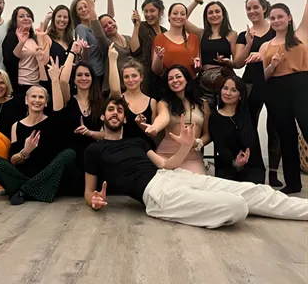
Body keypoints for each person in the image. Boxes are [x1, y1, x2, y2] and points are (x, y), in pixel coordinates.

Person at [84, 97, 308, 229]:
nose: (115, 113)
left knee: (255, 191)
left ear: (124, 119)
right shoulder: (94, 150)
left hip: (173, 176)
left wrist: (185, 146)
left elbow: (166, 165)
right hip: (156, 194)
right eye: (110, 110)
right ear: (103, 117)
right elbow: (88, 190)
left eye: (120, 110)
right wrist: (93, 200)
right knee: (237, 206)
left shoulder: (138, 142)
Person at [0, 62, 77, 205]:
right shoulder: (16, 126)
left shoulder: (52, 121)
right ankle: (36, 190)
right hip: (24, 175)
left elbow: (59, 110)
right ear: (26, 100)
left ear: (46, 102)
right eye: (33, 97)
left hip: (47, 174)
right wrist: (25, 152)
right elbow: (13, 160)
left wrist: (55, 80)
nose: (37, 100)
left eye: (41, 97)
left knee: (69, 154)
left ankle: (23, 191)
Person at [256, 0, 308, 194]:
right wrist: (272, 65)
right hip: (276, 89)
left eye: (280, 16)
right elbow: (264, 77)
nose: (276, 20)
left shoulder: (301, 35)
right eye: (273, 17)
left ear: (289, 17)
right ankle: (293, 184)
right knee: (286, 137)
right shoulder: (265, 46)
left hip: (301, 85)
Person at [236, 0, 282, 187]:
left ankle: (273, 173)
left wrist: (263, 55)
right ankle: (253, 168)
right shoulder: (243, 35)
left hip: (275, 84)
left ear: (264, 8)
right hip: (250, 85)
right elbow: (238, 63)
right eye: (248, 8)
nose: (252, 11)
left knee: (275, 129)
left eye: (256, 7)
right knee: (249, 127)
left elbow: (286, 53)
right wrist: (248, 44)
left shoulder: (276, 31)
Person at [142, 65, 210, 175]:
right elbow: (163, 117)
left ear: (186, 79)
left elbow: (207, 134)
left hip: (192, 157)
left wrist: (198, 143)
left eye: (178, 76)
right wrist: (155, 127)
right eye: (170, 79)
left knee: (195, 183)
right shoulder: (164, 103)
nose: (175, 80)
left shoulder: (203, 104)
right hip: (167, 155)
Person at [185, 0, 238, 108]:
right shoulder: (201, 33)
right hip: (205, 81)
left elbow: (236, 62)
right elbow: (183, 18)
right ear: (206, 17)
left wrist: (226, 61)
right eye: (210, 12)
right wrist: (197, 1)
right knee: (205, 111)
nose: (214, 15)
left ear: (223, 15)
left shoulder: (232, 34)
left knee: (225, 110)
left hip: (224, 78)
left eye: (217, 11)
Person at [209, 76, 265, 184]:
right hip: (227, 165)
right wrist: (235, 163)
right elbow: (221, 146)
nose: (228, 93)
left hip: (251, 166)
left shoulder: (247, 114)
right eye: (225, 88)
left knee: (253, 190)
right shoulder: (215, 116)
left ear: (240, 96)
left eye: (233, 90)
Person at [108, 43, 156, 147]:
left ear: (141, 77)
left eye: (134, 76)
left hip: (146, 149)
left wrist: (143, 126)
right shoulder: (119, 99)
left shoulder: (152, 102)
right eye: (126, 77)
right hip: (123, 148)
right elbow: (115, 90)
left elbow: (154, 135)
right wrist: (112, 60)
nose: (130, 80)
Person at [2, 6, 47, 94]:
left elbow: (43, 61)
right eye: (21, 16)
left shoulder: (34, 38)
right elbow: (9, 62)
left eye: (29, 16)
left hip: (37, 85)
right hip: (21, 85)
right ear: (15, 21)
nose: (26, 18)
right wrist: (21, 42)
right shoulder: (12, 37)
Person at [130, 0, 167, 97]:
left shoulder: (165, 32)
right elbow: (134, 50)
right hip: (146, 76)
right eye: (145, 11)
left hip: (162, 76)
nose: (148, 14)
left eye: (152, 11)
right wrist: (136, 26)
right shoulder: (141, 26)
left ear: (161, 12)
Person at [152, 2, 200, 80]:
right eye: (175, 13)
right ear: (169, 16)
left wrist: (197, 65)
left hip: (190, 83)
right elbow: (156, 70)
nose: (179, 16)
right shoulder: (159, 39)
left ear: (186, 18)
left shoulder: (194, 38)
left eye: (182, 14)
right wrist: (159, 58)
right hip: (167, 83)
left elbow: (197, 69)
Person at [70, 0, 105, 85]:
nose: (84, 10)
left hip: (103, 72)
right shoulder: (80, 28)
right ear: (76, 14)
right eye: (80, 9)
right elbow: (82, 51)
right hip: (94, 74)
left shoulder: (96, 27)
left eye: (86, 6)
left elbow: (110, 16)